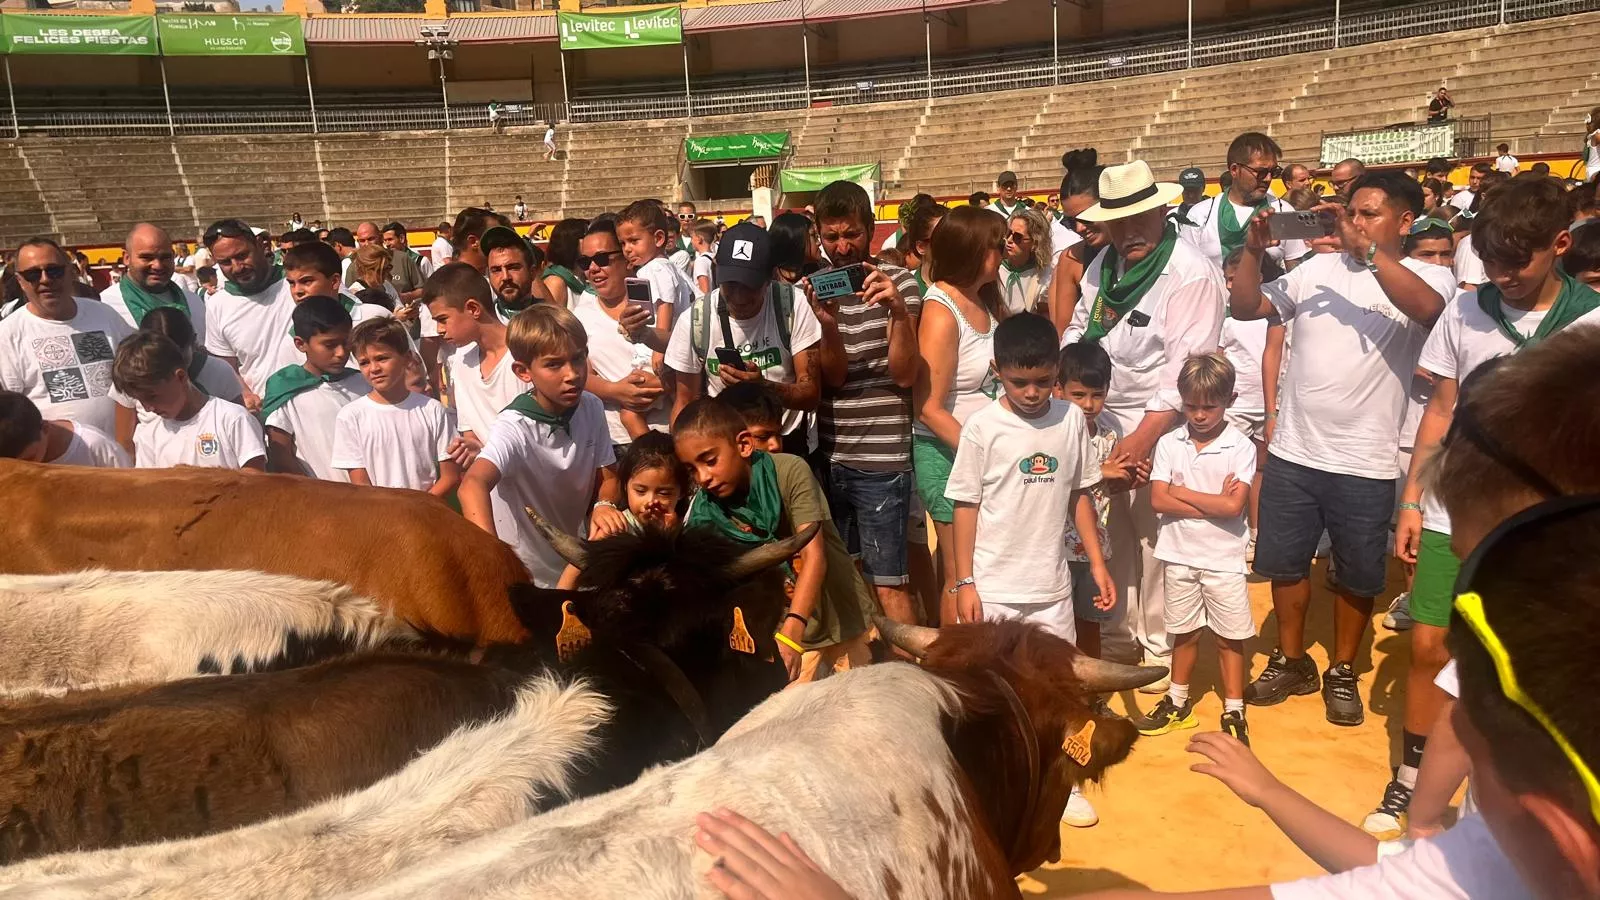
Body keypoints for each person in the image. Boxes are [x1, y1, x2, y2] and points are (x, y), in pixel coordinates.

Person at [1377, 174, 1600, 840]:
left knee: (1522, 657)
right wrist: (1414, 500)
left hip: (1546, 524)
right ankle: (1412, 779)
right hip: (1456, 510)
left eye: (1517, 262)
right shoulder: (1467, 311)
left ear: (1560, 243)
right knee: (1429, 647)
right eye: (1492, 261)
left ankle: (1512, 784)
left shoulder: (1592, 320)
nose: (1501, 274)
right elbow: (1442, 407)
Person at [1231, 171, 1456, 726]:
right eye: (1350, 212)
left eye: (1369, 214)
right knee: (1285, 566)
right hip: (1294, 451)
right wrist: (1252, 253)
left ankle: (1342, 669)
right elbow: (1245, 308)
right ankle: (1291, 659)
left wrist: (1371, 255)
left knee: (1356, 575)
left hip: (1367, 459)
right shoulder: (1315, 271)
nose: (1353, 222)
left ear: (1405, 222)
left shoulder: (1429, 276)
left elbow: (1429, 311)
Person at [945, 312, 1113, 826]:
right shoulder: (981, 427)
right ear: (997, 371)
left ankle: (1061, 783)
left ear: (1056, 373)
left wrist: (1099, 563)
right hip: (993, 586)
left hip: (1052, 587)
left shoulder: (1069, 421)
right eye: (1020, 382)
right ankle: (994, 780)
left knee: (1059, 688)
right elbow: (965, 506)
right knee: (994, 689)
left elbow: (1081, 495)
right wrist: (964, 581)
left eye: (1043, 381)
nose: (1033, 392)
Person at [1065, 159, 1227, 685]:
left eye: (1140, 218)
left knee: (1157, 542)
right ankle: (1116, 638)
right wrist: (1075, 398)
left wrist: (1138, 440)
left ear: (1161, 211)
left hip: (1164, 426)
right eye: (1117, 221)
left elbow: (1185, 373)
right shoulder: (1101, 267)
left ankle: (1159, 651)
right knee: (1111, 534)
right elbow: (1077, 328)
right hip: (1101, 418)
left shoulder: (1190, 273)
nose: (1129, 231)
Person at [675, 396, 877, 683]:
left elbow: (814, 557)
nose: (703, 477)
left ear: (743, 445)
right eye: (692, 470)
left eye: (709, 461)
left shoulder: (790, 470)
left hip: (840, 620)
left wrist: (791, 635)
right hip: (780, 633)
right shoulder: (703, 515)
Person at [808, 179, 923, 626]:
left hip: (883, 458)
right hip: (831, 456)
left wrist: (896, 311)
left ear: (871, 229)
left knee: (890, 583)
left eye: (851, 233)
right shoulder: (812, 288)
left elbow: (905, 374)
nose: (841, 246)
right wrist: (829, 324)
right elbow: (834, 379)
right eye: (831, 236)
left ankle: (912, 682)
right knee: (847, 576)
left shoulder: (901, 282)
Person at [1136, 352, 1257, 745]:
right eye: (1191, 406)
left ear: (1231, 400)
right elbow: (1157, 500)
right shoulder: (1170, 442)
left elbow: (1234, 506)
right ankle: (1178, 700)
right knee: (1183, 632)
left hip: (1224, 559)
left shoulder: (1241, 446)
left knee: (1229, 637)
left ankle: (1234, 706)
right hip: (1180, 555)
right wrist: (1212, 501)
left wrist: (1181, 492)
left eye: (1210, 406)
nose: (1200, 414)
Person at [459, 305, 620, 586]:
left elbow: (608, 475)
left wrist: (604, 505)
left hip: (577, 564)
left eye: (578, 358)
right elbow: (472, 484)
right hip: (526, 576)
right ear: (523, 372)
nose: (572, 374)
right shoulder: (514, 427)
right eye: (554, 364)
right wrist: (492, 556)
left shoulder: (591, 406)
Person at [912, 205, 1006, 616]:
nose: (1004, 251)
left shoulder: (982, 299)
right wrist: (984, 452)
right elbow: (928, 408)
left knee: (983, 571)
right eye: (996, 245)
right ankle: (956, 674)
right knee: (961, 576)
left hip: (981, 455)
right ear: (971, 250)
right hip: (947, 457)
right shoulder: (941, 311)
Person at [663, 222, 822, 456]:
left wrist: (763, 388)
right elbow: (686, 402)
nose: (738, 296)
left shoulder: (793, 306)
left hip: (785, 443)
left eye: (750, 285)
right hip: (727, 450)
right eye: (730, 284)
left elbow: (811, 393)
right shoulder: (696, 319)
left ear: (770, 277)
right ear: (716, 270)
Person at [0, 237, 135, 443]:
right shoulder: (7, 335)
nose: (45, 279)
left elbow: (139, 375)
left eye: (54, 270)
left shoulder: (105, 315)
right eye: (33, 274)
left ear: (70, 272)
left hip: (118, 460)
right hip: (57, 468)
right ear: (20, 281)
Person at [1056, 342, 1142, 660]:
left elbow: (1105, 491)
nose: (1089, 404)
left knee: (1091, 625)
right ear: (1059, 389)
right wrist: (1103, 470)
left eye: (1097, 395)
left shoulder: (1108, 434)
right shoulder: (1053, 431)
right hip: (1056, 551)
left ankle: (1092, 692)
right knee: (1058, 628)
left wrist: (1129, 478)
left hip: (1096, 550)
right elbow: (1059, 481)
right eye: (1079, 395)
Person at [567, 221, 669, 445]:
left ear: (626, 259)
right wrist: (616, 391)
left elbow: (688, 355)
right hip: (614, 441)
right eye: (585, 262)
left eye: (602, 259)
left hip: (670, 431)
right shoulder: (580, 315)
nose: (593, 268)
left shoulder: (662, 302)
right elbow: (581, 374)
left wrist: (664, 384)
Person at [331, 317, 459, 496]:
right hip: (379, 517)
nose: (374, 368)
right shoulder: (351, 417)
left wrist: (419, 507)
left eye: (382, 358)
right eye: (364, 362)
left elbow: (450, 476)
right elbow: (361, 485)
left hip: (426, 514)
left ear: (406, 358)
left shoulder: (432, 410)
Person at [423, 261, 526, 475]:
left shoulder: (528, 353)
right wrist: (474, 450)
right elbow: (470, 431)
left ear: (473, 308)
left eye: (443, 320)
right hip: (494, 491)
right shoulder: (461, 362)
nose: (439, 330)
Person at [113, 330, 265, 471]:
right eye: (140, 400)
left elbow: (257, 484)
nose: (148, 408)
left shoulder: (232, 419)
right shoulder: (148, 437)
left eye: (152, 397)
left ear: (180, 377)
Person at [260, 296, 369, 481]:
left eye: (346, 342)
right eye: (330, 345)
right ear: (301, 344)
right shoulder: (285, 389)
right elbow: (282, 459)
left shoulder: (363, 382)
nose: (341, 352)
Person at [201, 218, 300, 412]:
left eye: (242, 255)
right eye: (225, 262)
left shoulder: (299, 282)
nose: (237, 267)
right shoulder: (217, 305)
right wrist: (244, 393)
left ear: (259, 245)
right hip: (266, 414)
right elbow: (226, 365)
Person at [1180, 132, 1307, 271]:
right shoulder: (1200, 214)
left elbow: (1296, 270)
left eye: (1274, 172)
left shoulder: (1284, 211)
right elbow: (1186, 270)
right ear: (1234, 170)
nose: (1268, 179)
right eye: (1261, 172)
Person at [100, 223, 207, 347]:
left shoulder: (193, 302)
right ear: (127, 258)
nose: (158, 265)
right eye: (147, 257)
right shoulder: (105, 305)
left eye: (165, 257)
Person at [618, 199, 695, 346]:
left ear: (658, 238)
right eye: (623, 243)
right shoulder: (663, 266)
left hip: (659, 348)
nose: (627, 249)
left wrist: (658, 354)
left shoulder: (656, 268)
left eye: (634, 241)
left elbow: (665, 305)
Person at [138, 305, 245, 406]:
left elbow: (239, 415)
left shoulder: (220, 372)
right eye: (161, 362)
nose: (174, 368)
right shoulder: (133, 378)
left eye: (180, 359)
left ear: (193, 342)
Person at [0, 390, 129, 468]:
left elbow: (129, 487)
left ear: (45, 428)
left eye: (30, 458)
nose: (24, 467)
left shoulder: (95, 446)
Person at [284, 242, 390, 327]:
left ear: (334, 281)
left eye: (307, 281)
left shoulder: (375, 320)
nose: (297, 291)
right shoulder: (290, 334)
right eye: (292, 283)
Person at [479, 225, 550, 321]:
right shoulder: (480, 324)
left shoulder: (555, 320)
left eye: (513, 268)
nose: (505, 277)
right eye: (496, 270)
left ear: (532, 272)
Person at [1000, 208, 1054, 316]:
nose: (1009, 240)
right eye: (1008, 233)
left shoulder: (1045, 276)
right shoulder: (994, 268)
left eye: (1017, 237)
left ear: (1035, 243)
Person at [542, 217, 588, 309]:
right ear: (571, 241)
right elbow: (552, 321)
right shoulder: (555, 282)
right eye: (586, 236)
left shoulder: (584, 275)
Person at [690, 220, 718, 298]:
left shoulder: (700, 261)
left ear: (699, 239)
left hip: (705, 306)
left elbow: (704, 291)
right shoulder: (714, 257)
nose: (691, 241)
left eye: (692, 237)